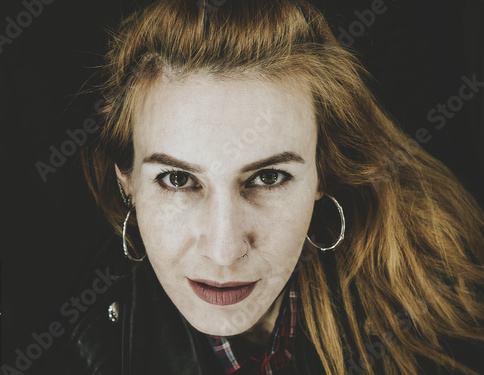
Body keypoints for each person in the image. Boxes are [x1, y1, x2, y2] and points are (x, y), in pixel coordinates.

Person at [46, 0, 484, 374]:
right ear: (127, 182)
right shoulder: (84, 339)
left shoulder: (446, 309)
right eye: (177, 179)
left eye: (268, 178)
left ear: (322, 172)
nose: (224, 251)